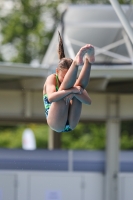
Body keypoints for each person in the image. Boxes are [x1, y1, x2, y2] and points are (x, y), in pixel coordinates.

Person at [43, 32, 95, 133]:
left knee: (79, 88)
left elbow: (88, 101)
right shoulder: (52, 78)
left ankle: (88, 61)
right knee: (64, 91)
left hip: (71, 123)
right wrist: (72, 91)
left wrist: (75, 92)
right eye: (64, 76)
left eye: (69, 76)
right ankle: (76, 63)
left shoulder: (75, 84)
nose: (66, 79)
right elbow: (51, 97)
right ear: (57, 71)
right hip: (56, 122)